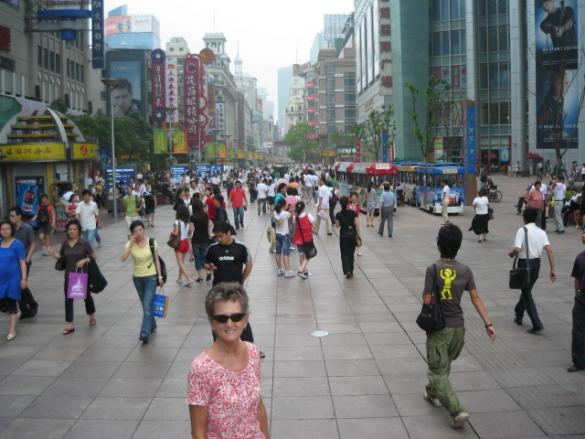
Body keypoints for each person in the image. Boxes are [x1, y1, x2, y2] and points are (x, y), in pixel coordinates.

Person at [422, 224, 496, 429]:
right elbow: (475, 297)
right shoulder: (465, 270)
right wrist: (488, 323)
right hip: (458, 329)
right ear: (458, 246)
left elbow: (427, 300)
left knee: (437, 370)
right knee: (443, 364)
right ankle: (432, 392)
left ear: (439, 244)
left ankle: (457, 410)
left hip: (440, 328)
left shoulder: (433, 269)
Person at [188, 283, 269, 439]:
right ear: (212, 322)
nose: (230, 324)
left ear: (246, 318)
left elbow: (258, 406)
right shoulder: (201, 368)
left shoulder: (253, 352)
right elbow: (198, 431)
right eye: (222, 318)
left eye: (236, 317)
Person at [508, 207, 557, 334]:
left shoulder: (522, 230)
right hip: (536, 265)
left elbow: (517, 249)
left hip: (525, 264)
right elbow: (550, 250)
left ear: (524, 218)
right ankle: (518, 313)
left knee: (526, 293)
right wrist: (553, 269)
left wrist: (511, 253)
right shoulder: (541, 232)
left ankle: (536, 323)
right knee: (526, 290)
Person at [205, 222, 255, 344]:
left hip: (236, 290)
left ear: (229, 233)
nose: (218, 239)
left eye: (221, 236)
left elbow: (248, 264)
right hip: (218, 291)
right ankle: (219, 345)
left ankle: (250, 346)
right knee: (218, 317)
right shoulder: (213, 248)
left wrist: (242, 280)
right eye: (216, 236)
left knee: (240, 316)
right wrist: (209, 266)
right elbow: (205, 262)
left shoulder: (241, 247)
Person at [48, 220, 96, 335]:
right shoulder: (65, 244)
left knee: (86, 297)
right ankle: (70, 324)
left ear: (78, 230)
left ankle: (91, 315)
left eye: (74, 229)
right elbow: (62, 257)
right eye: (70, 229)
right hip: (69, 275)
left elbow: (93, 256)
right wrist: (53, 253)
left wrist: (85, 260)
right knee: (68, 300)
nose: (72, 231)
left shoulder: (84, 243)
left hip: (82, 274)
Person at [121, 220, 163, 344]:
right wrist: (130, 244)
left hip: (151, 277)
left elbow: (157, 259)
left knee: (146, 305)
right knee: (147, 305)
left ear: (144, 230)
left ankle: (144, 333)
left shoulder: (152, 242)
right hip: (137, 278)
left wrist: (160, 277)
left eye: (140, 230)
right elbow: (123, 258)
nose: (138, 233)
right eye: (135, 231)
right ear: (132, 233)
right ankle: (152, 324)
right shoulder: (130, 244)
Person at [9, 207, 39, 319]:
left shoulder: (27, 228)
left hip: (24, 261)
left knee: (21, 284)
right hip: (12, 261)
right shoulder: (9, 229)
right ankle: (26, 309)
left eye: (12, 216)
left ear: (19, 216)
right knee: (17, 285)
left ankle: (31, 304)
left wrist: (28, 258)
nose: (11, 218)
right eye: (10, 216)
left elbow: (33, 243)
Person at [0, 220, 27, 340]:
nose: (5, 231)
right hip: (1, 279)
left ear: (12, 230)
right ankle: (15, 314)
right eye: (2, 229)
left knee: (11, 302)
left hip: (13, 278)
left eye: (7, 228)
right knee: (2, 305)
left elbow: (22, 262)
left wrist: (24, 278)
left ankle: (12, 330)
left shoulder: (17, 244)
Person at [569, 232, 585, 372]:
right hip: (582, 298)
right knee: (578, 329)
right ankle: (579, 361)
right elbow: (577, 277)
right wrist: (578, 293)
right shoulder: (580, 257)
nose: (583, 235)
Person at [335, 196, 357, 279]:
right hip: (352, 236)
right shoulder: (353, 212)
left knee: (344, 254)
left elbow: (337, 226)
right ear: (348, 203)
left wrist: (342, 222)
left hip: (343, 236)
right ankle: (351, 270)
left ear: (340, 204)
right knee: (351, 253)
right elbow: (356, 224)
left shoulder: (338, 214)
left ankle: (347, 270)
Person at [172, 205, 194, 286]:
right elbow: (190, 231)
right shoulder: (188, 221)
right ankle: (179, 278)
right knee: (182, 262)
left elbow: (176, 233)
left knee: (180, 262)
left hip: (179, 243)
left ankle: (188, 278)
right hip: (186, 242)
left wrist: (172, 232)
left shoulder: (177, 222)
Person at [191, 199, 211, 283]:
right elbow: (208, 227)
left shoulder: (193, 217)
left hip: (196, 239)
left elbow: (191, 229)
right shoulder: (205, 215)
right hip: (205, 239)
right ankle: (208, 272)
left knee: (197, 258)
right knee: (205, 257)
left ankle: (200, 276)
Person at [293, 201, 314, 279]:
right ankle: (300, 270)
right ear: (304, 208)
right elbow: (313, 226)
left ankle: (305, 272)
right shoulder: (308, 215)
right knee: (308, 256)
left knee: (301, 255)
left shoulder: (295, 217)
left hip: (298, 240)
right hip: (307, 239)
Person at [273, 199, 294, 278]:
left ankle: (279, 269)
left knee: (278, 252)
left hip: (277, 234)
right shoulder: (285, 213)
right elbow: (290, 215)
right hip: (285, 235)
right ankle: (287, 271)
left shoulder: (275, 212)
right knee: (286, 253)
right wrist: (290, 209)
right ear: (284, 205)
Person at [349, 192, 363, 256]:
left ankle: (359, 250)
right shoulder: (348, 204)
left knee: (358, 236)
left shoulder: (358, 205)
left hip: (356, 223)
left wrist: (358, 193)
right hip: (349, 223)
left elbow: (360, 200)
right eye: (352, 197)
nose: (353, 199)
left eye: (355, 198)